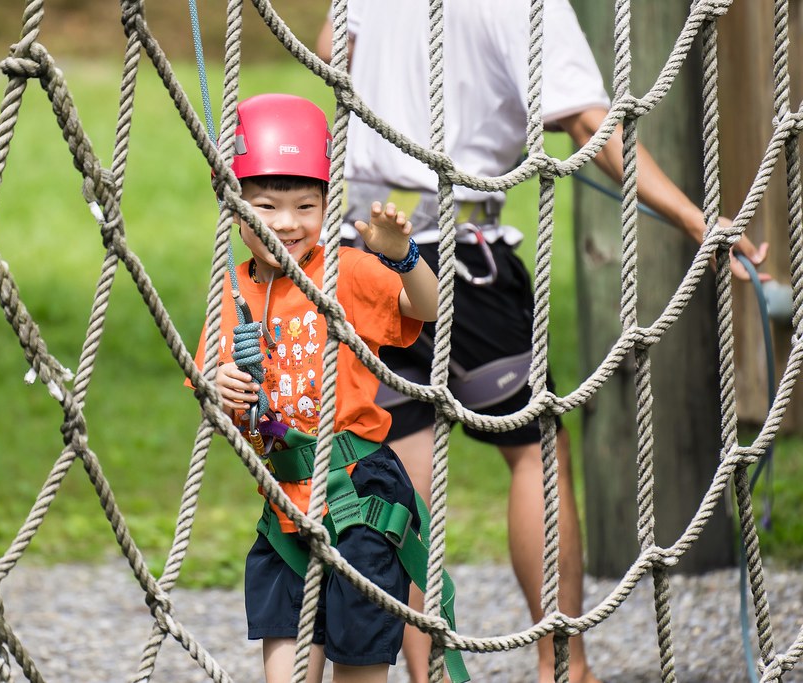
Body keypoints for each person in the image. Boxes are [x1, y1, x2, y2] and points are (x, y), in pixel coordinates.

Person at [316, 2, 769, 683]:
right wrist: (690, 216)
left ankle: (429, 671)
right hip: (462, 258)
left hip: (366, 250)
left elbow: (332, 49)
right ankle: (566, 665)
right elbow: (589, 121)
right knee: (536, 455)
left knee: (403, 474)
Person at [191, 93, 447, 683]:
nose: (286, 222)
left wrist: (404, 258)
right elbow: (210, 387)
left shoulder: (346, 272)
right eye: (266, 206)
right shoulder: (230, 293)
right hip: (285, 498)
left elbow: (428, 308)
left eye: (306, 206)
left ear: (328, 205)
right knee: (285, 652)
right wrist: (219, 387)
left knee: (359, 660)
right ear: (234, 206)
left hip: (358, 491)